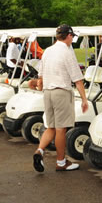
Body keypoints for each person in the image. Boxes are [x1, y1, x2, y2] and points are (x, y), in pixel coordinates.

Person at [32, 24, 88, 173]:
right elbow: (77, 79)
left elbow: (40, 77)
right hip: (61, 92)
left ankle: (40, 151)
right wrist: (84, 99)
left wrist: (39, 86)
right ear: (69, 36)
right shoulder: (67, 52)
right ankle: (61, 162)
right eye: (72, 37)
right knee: (61, 129)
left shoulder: (48, 51)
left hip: (48, 92)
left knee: (51, 127)